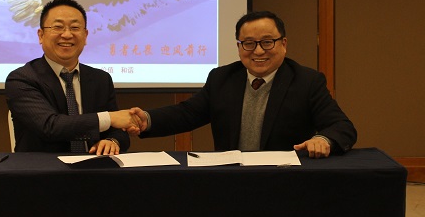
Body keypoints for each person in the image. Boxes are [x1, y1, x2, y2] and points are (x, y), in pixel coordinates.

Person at [129, 10, 357, 158]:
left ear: (284, 44)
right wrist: (146, 120)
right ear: (239, 47)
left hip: (285, 181)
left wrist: (323, 139)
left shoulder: (306, 81)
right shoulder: (222, 78)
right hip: (232, 180)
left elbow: (342, 127)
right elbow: (187, 113)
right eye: (248, 43)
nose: (258, 51)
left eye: (267, 42)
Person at [5, 0, 139, 154]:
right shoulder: (22, 79)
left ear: (85, 36)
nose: (67, 35)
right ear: (41, 35)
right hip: (42, 167)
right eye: (58, 27)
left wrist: (112, 141)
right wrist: (109, 118)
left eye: (75, 28)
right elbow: (49, 126)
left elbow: (118, 130)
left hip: (94, 165)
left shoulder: (101, 79)